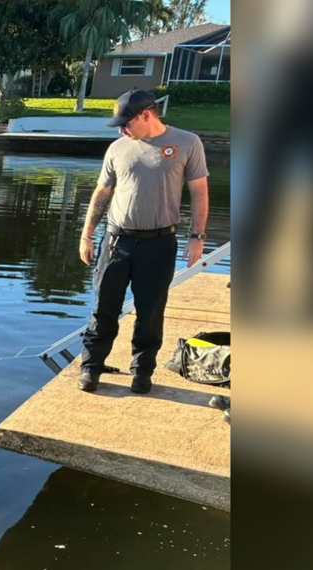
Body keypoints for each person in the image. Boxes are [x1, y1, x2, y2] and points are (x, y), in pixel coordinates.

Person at [77, 90, 210, 394]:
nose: (123, 130)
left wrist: (197, 237)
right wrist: (87, 234)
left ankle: (142, 372)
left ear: (146, 115)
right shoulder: (117, 149)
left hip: (159, 243)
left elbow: (200, 192)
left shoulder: (187, 143)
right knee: (103, 308)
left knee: (150, 311)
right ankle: (91, 368)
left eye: (126, 123)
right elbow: (102, 193)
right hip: (116, 240)